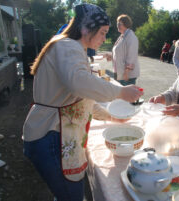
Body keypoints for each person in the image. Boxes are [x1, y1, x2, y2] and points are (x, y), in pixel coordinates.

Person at [23, 4, 143, 201]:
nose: (105, 38)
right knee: (71, 196)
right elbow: (80, 83)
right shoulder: (68, 46)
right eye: (103, 32)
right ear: (87, 28)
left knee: (65, 194)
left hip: (53, 133)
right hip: (51, 134)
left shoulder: (68, 46)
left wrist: (111, 116)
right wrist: (121, 92)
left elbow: (81, 100)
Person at [106, 14, 140, 86]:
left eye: (119, 24)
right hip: (119, 73)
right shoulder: (122, 36)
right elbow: (120, 53)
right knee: (120, 96)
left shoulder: (131, 37)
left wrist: (126, 72)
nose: (117, 25)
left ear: (126, 24)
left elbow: (131, 56)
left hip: (126, 76)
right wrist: (112, 57)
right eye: (117, 23)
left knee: (127, 96)